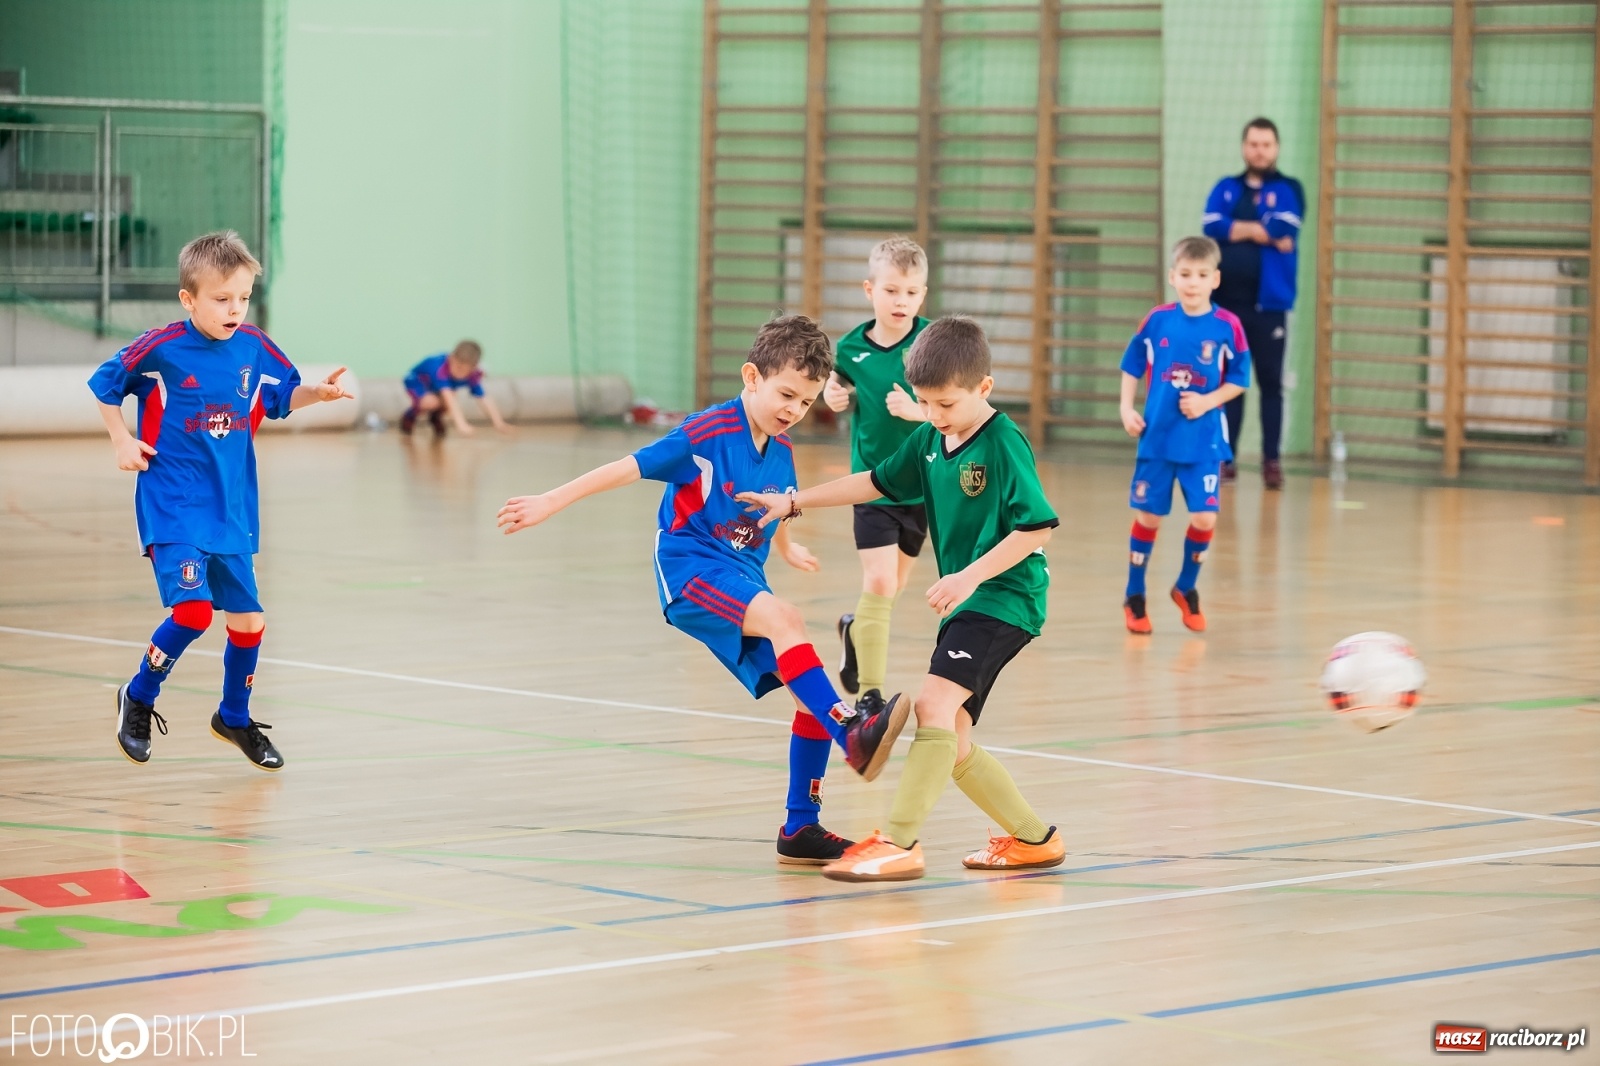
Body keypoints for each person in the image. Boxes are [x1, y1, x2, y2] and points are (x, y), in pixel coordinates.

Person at [496, 315, 910, 867]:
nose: (793, 409)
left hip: (742, 572)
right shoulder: (705, 432)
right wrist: (550, 501)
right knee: (788, 622)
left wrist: (787, 548)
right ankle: (851, 735)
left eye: (806, 402)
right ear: (751, 377)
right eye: (786, 393)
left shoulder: (782, 451)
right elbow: (625, 468)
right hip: (690, 569)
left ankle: (800, 826)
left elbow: (774, 506)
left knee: (802, 687)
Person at [737, 315, 1065, 883]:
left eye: (946, 405)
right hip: (974, 602)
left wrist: (967, 577)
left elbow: (1036, 529)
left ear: (984, 389)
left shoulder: (1004, 443)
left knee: (933, 707)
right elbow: (875, 481)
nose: (935, 416)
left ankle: (898, 843)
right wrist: (793, 501)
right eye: (926, 403)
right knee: (953, 737)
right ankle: (1034, 840)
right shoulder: (932, 439)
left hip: (1004, 595)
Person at [87, 230, 354, 771]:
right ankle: (138, 695)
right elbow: (104, 384)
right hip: (174, 502)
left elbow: (279, 397)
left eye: (243, 297)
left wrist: (314, 395)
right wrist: (120, 439)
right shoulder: (160, 346)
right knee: (193, 610)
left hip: (231, 507)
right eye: (221, 298)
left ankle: (233, 716)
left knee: (250, 621)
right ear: (189, 299)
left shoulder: (254, 346)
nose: (235, 309)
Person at [1118, 237, 1251, 635]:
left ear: (1216, 279)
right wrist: (1127, 408)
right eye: (1186, 275)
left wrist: (1208, 400)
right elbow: (1131, 364)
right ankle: (1135, 593)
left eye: (1202, 275)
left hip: (1204, 442)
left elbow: (1240, 380)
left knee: (1205, 516)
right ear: (1173, 277)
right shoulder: (1158, 319)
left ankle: (1186, 587)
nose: (1194, 282)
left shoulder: (1228, 326)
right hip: (1158, 438)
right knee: (1149, 516)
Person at [822, 236, 931, 715]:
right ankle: (871, 696)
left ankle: (853, 629)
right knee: (881, 583)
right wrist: (832, 395)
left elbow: (960, 407)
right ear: (870, 290)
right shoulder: (849, 348)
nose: (900, 301)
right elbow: (835, 384)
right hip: (871, 483)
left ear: (922, 295)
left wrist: (918, 411)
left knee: (890, 591)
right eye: (891, 290)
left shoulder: (932, 343)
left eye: (910, 292)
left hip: (922, 486)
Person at [1202, 117, 1302, 489]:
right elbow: (1212, 225)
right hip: (1228, 307)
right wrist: (1261, 231)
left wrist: (1238, 230)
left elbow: (1284, 228)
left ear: (1276, 148)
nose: (1259, 150)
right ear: (1244, 147)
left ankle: (1271, 460)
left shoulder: (1289, 189)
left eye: (1266, 144)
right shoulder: (1226, 188)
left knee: (1270, 383)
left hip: (1269, 307)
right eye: (1254, 144)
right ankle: (1226, 460)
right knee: (1231, 382)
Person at [400, 341, 513, 436]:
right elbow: (449, 398)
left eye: (466, 370)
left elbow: (483, 397)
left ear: (474, 367)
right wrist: (461, 424)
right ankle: (410, 416)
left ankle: (435, 416)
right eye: (458, 367)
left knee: (450, 397)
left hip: (436, 388)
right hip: (417, 382)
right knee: (432, 402)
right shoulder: (439, 367)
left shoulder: (473, 373)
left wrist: (499, 423)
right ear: (451, 359)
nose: (461, 374)